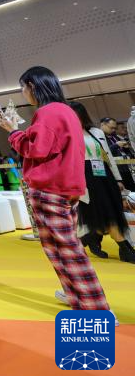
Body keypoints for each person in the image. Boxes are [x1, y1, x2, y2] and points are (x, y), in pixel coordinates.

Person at [1, 66, 113, 315]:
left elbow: (36, 149)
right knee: (60, 247)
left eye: (23, 87)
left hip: (49, 188)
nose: (23, 93)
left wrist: (13, 132)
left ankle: (96, 307)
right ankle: (78, 296)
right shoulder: (65, 111)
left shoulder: (47, 112)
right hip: (66, 187)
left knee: (66, 250)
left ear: (32, 86)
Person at [70, 103, 135, 263]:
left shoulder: (96, 132)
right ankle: (124, 248)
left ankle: (91, 237)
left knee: (111, 209)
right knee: (104, 210)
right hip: (85, 177)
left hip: (104, 174)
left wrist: (117, 178)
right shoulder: (68, 134)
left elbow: (108, 156)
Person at [101, 117, 135, 190]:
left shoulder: (114, 136)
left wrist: (126, 147)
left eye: (115, 128)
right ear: (103, 125)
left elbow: (121, 150)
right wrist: (116, 145)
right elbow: (103, 152)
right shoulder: (100, 138)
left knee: (132, 188)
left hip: (126, 167)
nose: (113, 130)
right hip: (116, 169)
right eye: (111, 128)